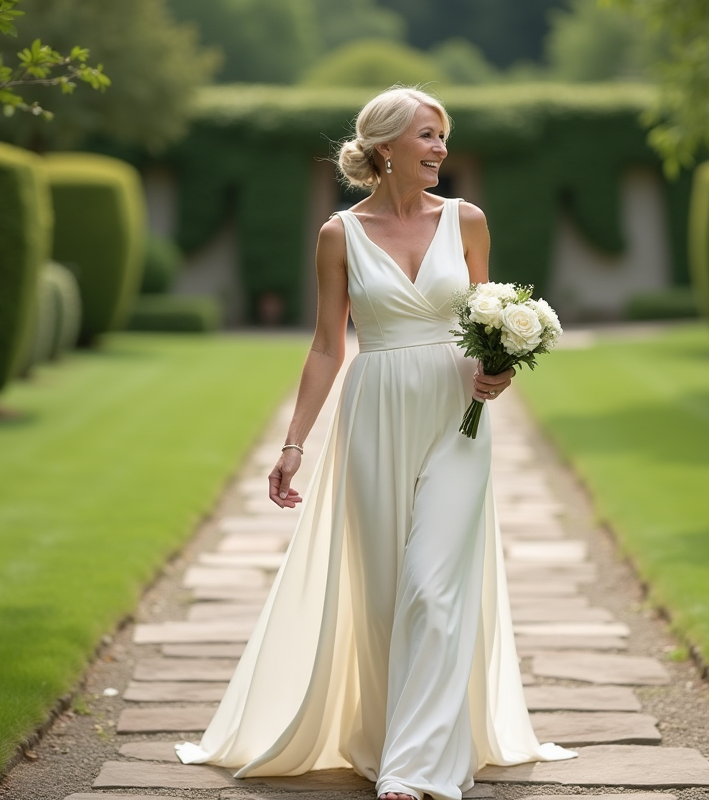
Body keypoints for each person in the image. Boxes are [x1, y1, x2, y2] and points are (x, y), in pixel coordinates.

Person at [176, 86, 575, 800]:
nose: (440, 149)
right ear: (385, 147)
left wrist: (501, 366)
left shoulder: (468, 220)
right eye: (426, 136)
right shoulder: (339, 235)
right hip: (375, 413)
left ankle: (417, 767)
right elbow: (328, 347)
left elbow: (493, 318)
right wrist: (294, 444)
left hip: (458, 418)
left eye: (443, 136)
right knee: (388, 590)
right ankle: (393, 738)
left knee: (433, 586)